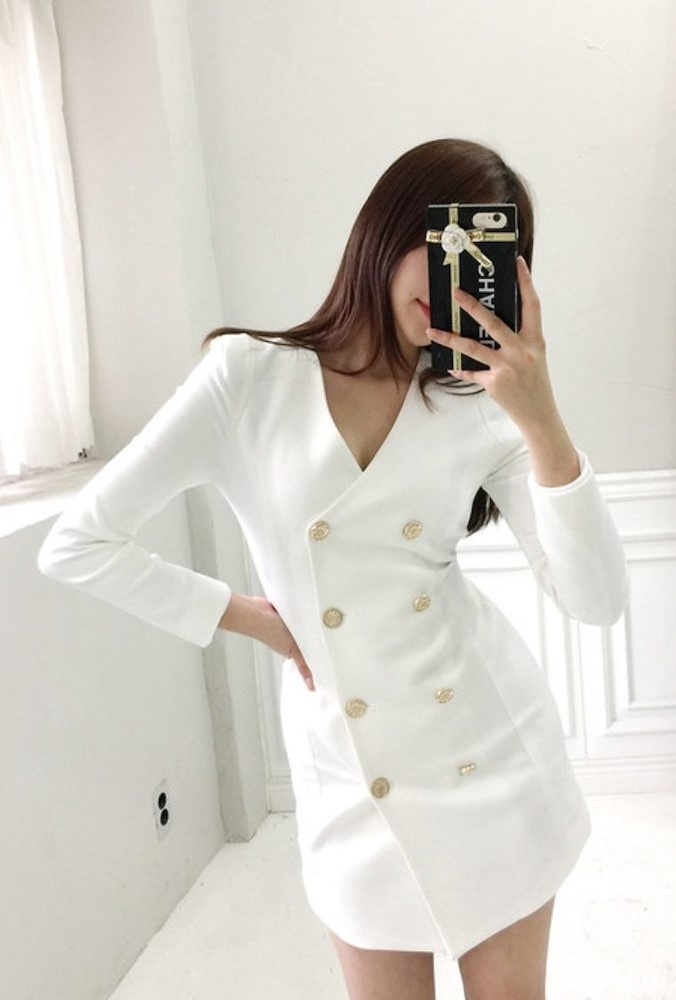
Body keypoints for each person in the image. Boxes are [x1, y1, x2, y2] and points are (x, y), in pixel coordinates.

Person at [37, 137, 628, 1000]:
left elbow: (598, 601)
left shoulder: (483, 407)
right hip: (353, 780)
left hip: (492, 763)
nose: (452, 272)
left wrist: (541, 419)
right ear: (385, 229)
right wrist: (251, 618)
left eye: (482, 254)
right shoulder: (247, 380)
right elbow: (78, 541)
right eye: (440, 238)